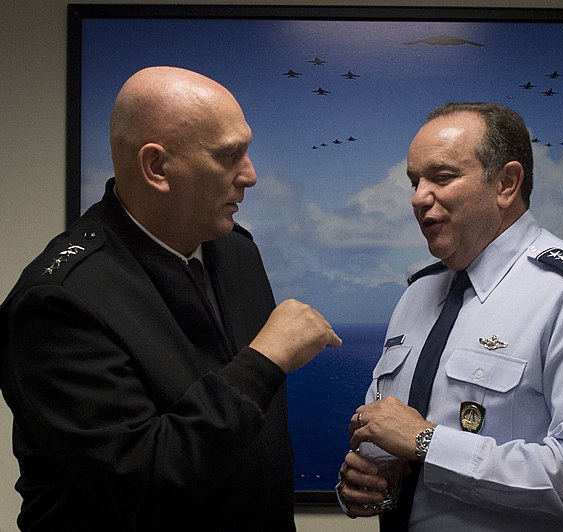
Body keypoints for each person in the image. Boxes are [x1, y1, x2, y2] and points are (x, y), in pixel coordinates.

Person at [0, 66, 342, 531]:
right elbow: (143, 485)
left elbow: (254, 449)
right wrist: (264, 361)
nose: (251, 175)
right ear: (157, 167)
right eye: (230, 156)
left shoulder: (236, 250)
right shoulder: (56, 303)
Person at [337, 102, 563, 532]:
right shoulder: (418, 293)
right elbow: (392, 438)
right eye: (414, 182)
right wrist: (374, 479)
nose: (417, 198)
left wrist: (428, 443)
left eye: (442, 177)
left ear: (507, 183)